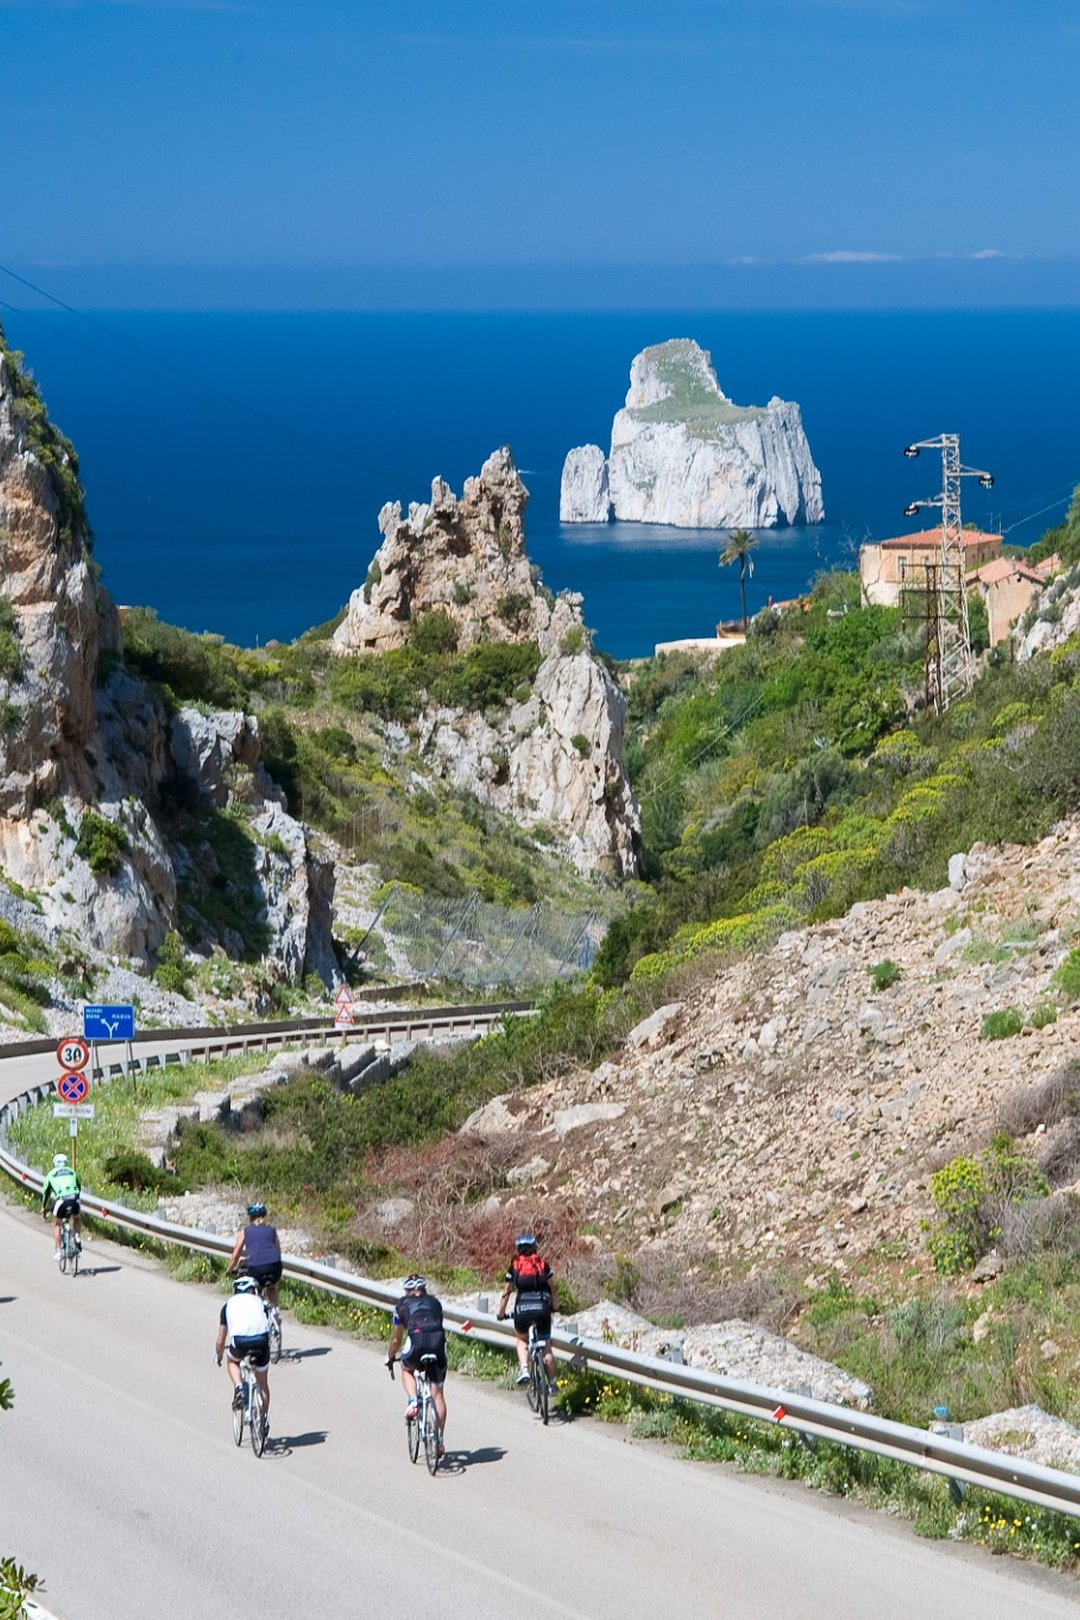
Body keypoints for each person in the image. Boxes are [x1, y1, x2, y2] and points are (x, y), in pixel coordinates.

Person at [385, 1274, 447, 1457]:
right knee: (438, 1395)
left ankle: (413, 1401)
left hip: (416, 1340)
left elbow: (397, 1338)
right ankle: (439, 1440)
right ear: (424, 1289)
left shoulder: (401, 1305)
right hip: (437, 1342)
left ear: (406, 1291)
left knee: (406, 1368)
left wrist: (390, 1356)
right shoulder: (435, 1303)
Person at [497, 1233, 556, 1393]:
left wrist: (501, 1314)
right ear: (535, 1248)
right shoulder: (543, 1265)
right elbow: (552, 1289)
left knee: (522, 1340)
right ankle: (552, 1383)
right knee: (547, 1346)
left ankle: (524, 1369)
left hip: (522, 1310)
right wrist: (555, 1306)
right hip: (542, 1309)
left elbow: (506, 1293)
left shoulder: (515, 1266)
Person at [214, 1274, 272, 1422]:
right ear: (253, 1290)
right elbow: (266, 1325)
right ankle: (263, 1421)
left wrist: (219, 1355)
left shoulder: (228, 1305)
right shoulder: (260, 1302)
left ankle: (239, 1387)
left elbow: (221, 1341)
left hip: (240, 1340)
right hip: (262, 1339)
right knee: (263, 1383)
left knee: (232, 1361)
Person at [226, 1202, 282, 1308]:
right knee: (272, 1287)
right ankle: (275, 1311)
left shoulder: (245, 1231)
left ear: (250, 1218)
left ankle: (257, 1308)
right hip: (275, 1265)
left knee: (254, 1287)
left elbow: (236, 1254)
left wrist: (229, 1270)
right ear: (265, 1216)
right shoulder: (272, 1231)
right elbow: (278, 1251)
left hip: (257, 1267)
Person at [41, 1153, 82, 1262]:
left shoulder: (51, 1174)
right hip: (74, 1199)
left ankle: (59, 1252)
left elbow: (45, 1193)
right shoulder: (72, 1171)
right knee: (76, 1218)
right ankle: (77, 1236)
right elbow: (79, 1186)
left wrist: (43, 1207)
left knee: (57, 1224)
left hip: (62, 1200)